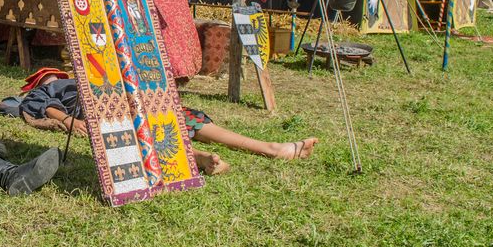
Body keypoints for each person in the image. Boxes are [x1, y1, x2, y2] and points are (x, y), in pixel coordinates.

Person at [17, 70, 317, 174]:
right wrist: (67, 120)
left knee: (181, 116)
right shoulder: (48, 87)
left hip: (122, 95)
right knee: (134, 127)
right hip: (101, 110)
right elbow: (34, 104)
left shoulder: (75, 78)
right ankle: (195, 158)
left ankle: (272, 148)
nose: (52, 77)